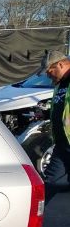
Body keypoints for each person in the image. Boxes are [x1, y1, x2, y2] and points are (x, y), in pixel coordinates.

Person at [42, 50, 70, 203]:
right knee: (49, 184)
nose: (48, 75)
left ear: (60, 64)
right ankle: (28, 223)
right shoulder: (59, 84)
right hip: (62, 145)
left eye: (49, 71)